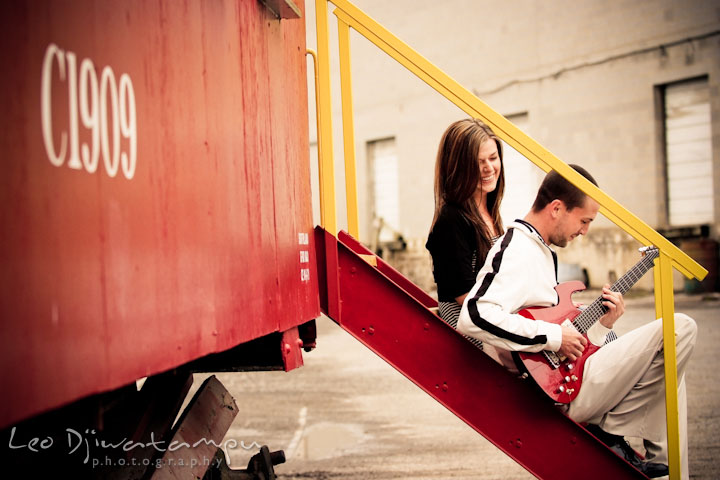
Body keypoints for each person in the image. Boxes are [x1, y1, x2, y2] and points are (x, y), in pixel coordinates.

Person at [457, 165, 696, 479]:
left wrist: (603, 325)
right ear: (557, 208)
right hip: (550, 396)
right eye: (584, 221)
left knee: (670, 369)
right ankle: (616, 434)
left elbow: (565, 345)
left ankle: (663, 469)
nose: (585, 231)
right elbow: (474, 316)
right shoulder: (516, 249)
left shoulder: (541, 250)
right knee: (679, 329)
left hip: (568, 380)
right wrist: (555, 336)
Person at [426, 119, 504, 342]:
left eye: (493, 158)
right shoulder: (451, 220)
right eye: (478, 162)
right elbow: (466, 298)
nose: (489, 168)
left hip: (492, 318)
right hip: (469, 328)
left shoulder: (491, 213)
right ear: (458, 166)